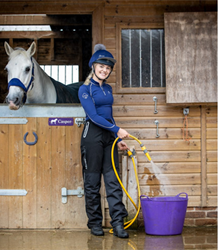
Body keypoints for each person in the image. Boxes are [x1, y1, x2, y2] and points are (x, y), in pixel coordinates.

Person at [78, 44, 130, 238]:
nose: (104, 70)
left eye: (108, 68)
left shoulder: (107, 89)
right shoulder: (85, 89)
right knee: (92, 183)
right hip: (91, 137)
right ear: (94, 67)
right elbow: (93, 116)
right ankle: (95, 224)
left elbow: (108, 116)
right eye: (101, 66)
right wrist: (117, 130)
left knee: (113, 182)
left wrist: (116, 138)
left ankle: (118, 224)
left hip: (109, 138)